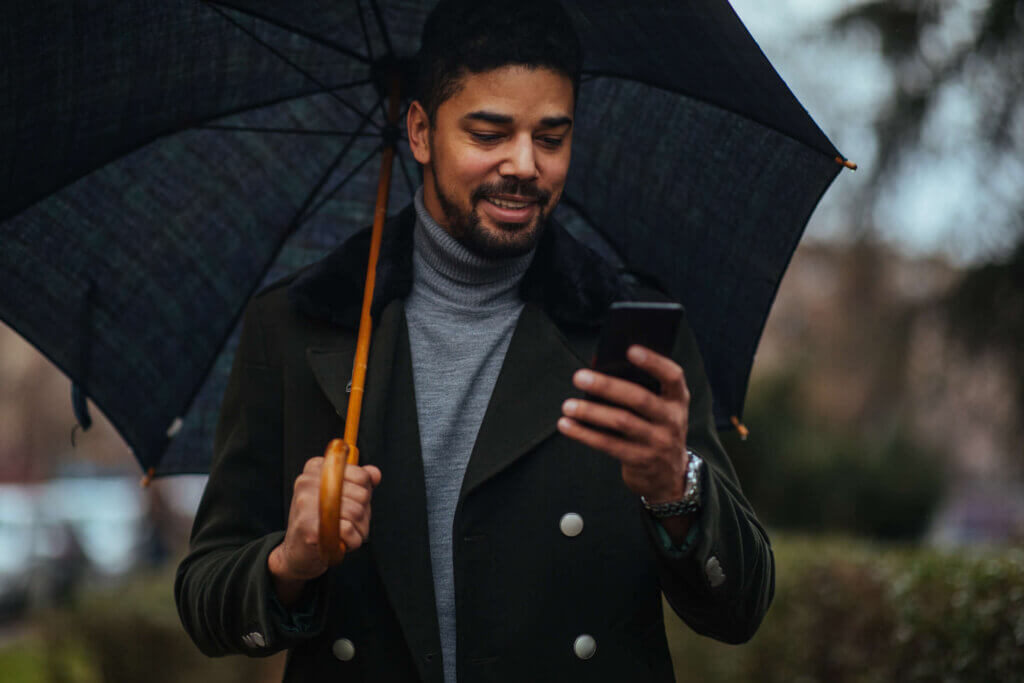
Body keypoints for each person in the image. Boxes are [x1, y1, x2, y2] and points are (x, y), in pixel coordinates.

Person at [175, 1, 774, 681]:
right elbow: (205, 597)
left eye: (551, 137)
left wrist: (677, 489)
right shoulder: (298, 323)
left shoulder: (629, 327)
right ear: (422, 132)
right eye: (490, 133)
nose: (524, 165)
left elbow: (742, 607)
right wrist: (291, 561)